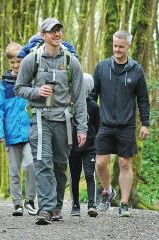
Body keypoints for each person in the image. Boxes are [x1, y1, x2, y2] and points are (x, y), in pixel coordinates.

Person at [14, 17, 87, 225]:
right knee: (42, 162)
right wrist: (37, 91)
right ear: (43, 35)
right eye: (52, 31)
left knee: (59, 164)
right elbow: (18, 88)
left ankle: (56, 206)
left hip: (63, 119)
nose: (57, 34)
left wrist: (82, 127)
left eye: (59, 30)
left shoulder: (72, 62)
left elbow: (80, 96)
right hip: (39, 118)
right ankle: (45, 209)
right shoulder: (31, 60)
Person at [92, 30, 150, 217]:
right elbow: (92, 96)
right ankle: (108, 191)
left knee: (125, 163)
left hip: (126, 125)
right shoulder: (101, 67)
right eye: (115, 46)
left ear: (128, 47)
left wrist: (145, 123)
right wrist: (89, 120)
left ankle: (124, 204)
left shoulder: (136, 70)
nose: (117, 49)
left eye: (121, 46)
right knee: (100, 163)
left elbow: (142, 99)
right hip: (105, 124)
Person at [0, 42, 37, 216]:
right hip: (10, 134)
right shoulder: (5, 83)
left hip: (29, 132)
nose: (16, 65)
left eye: (19, 61)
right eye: (13, 62)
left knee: (31, 164)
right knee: (14, 170)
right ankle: (17, 203)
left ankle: (31, 200)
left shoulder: (31, 80)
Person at [69, 73, 99, 217]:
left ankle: (92, 204)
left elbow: (97, 127)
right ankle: (75, 205)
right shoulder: (70, 106)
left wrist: (95, 143)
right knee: (74, 176)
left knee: (89, 174)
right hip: (72, 148)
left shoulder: (93, 106)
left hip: (90, 148)